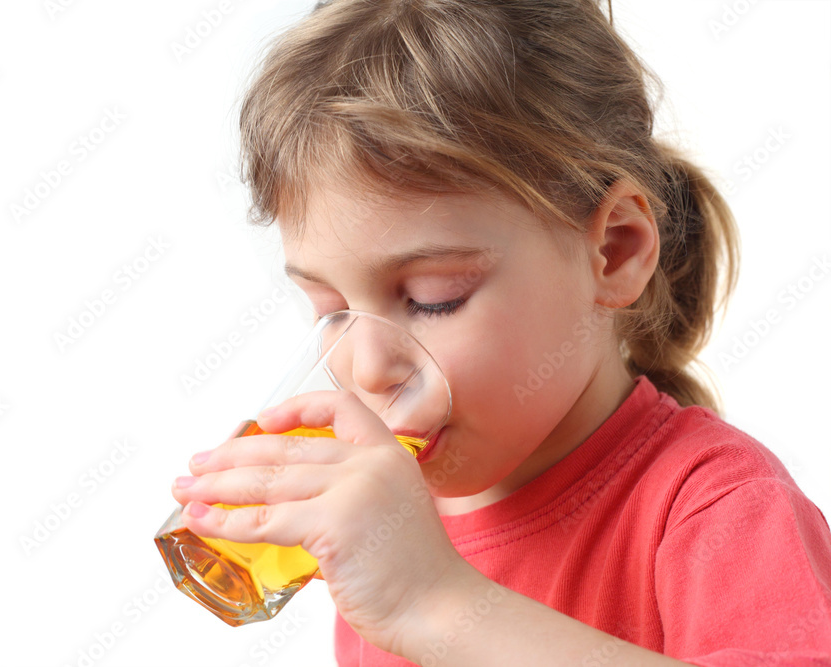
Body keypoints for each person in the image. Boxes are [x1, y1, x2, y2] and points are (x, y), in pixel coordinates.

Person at [171, 0, 831, 664]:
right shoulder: (387, 529)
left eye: (434, 298)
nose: (366, 367)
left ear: (616, 251)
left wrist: (433, 602)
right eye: (330, 308)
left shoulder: (715, 506)